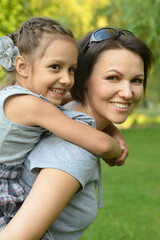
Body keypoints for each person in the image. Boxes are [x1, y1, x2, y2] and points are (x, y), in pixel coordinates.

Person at [0, 26, 153, 240]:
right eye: (112, 78)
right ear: (84, 79)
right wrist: (115, 148)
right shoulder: (74, 148)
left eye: (136, 80)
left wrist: (113, 131)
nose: (127, 93)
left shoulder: (59, 108)